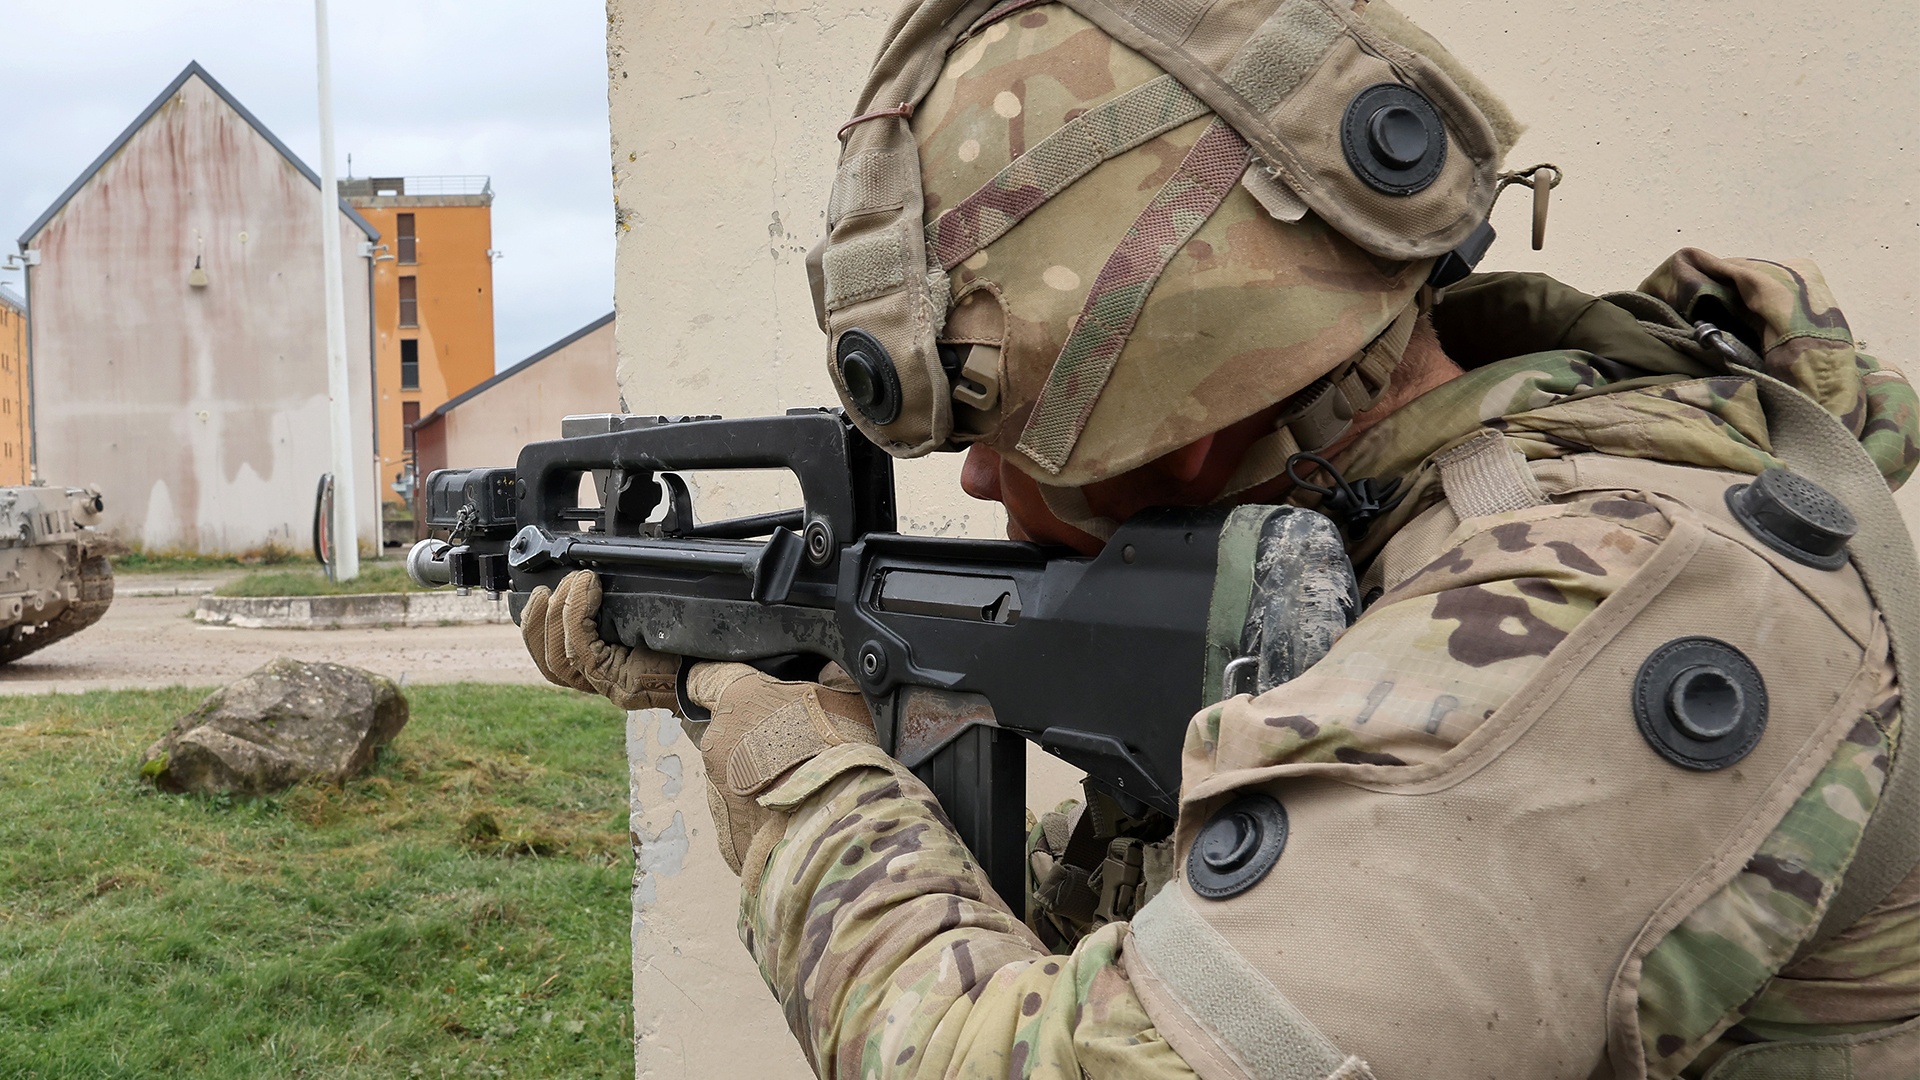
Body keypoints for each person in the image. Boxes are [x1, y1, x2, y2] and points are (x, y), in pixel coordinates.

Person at [526, 1, 1920, 1076]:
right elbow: (1237, 907)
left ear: (1184, 415)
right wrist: (757, 682)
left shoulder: (1601, 598)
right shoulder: (1429, 509)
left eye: (1002, 433)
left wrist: (810, 798)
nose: (991, 491)